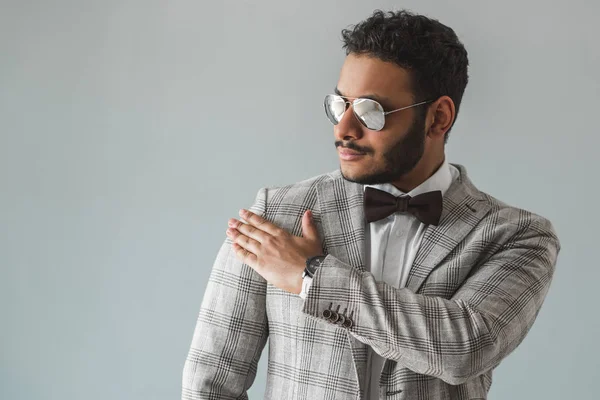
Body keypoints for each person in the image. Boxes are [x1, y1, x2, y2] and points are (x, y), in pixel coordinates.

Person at [181, 9, 561, 400]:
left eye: (370, 111)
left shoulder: (516, 234)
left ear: (438, 118)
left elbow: (464, 348)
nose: (343, 129)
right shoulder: (278, 215)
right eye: (339, 104)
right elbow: (210, 382)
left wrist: (310, 278)